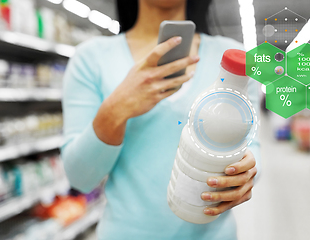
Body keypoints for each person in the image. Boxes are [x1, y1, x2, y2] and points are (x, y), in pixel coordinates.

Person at [61, 0, 261, 239]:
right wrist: (116, 110)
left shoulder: (233, 60)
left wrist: (244, 174)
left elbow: (253, 151)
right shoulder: (90, 58)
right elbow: (81, 179)